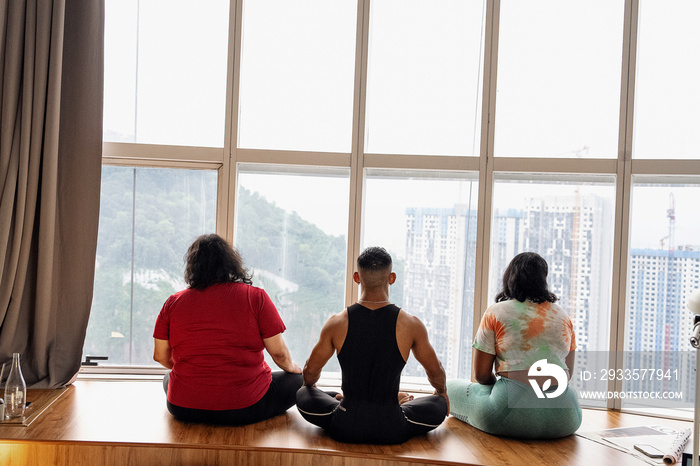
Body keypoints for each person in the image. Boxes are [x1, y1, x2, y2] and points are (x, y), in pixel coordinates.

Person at [296, 246, 448, 444]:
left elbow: (309, 373)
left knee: (303, 392)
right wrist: (441, 393)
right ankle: (396, 401)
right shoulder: (411, 324)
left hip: (345, 425)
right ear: (392, 278)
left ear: (356, 278)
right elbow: (435, 372)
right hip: (392, 427)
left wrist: (312, 388)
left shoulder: (337, 322)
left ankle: (341, 399)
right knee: (439, 403)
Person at [153, 234, 303, 425]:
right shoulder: (256, 297)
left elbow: (160, 355)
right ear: (230, 263)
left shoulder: (172, 303)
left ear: (192, 266)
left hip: (183, 408)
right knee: (298, 380)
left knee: (169, 378)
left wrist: (198, 373)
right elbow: (279, 353)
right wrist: (293, 369)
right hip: (245, 407)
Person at [447, 252, 582, 439]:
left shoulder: (496, 312)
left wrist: (500, 390)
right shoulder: (563, 316)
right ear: (544, 280)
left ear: (510, 277)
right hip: (566, 417)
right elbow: (567, 373)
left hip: (508, 413)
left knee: (447, 388)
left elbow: (481, 375)